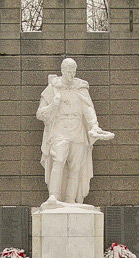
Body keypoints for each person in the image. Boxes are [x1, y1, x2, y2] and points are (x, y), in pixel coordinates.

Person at [36, 58, 113, 205]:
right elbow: (40, 114)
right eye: (68, 71)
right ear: (62, 70)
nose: (71, 75)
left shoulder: (81, 88)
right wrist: (53, 104)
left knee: (76, 167)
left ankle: (70, 200)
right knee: (58, 160)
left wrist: (94, 126)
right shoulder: (53, 88)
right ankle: (53, 196)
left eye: (73, 71)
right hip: (60, 128)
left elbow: (88, 109)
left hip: (78, 129)